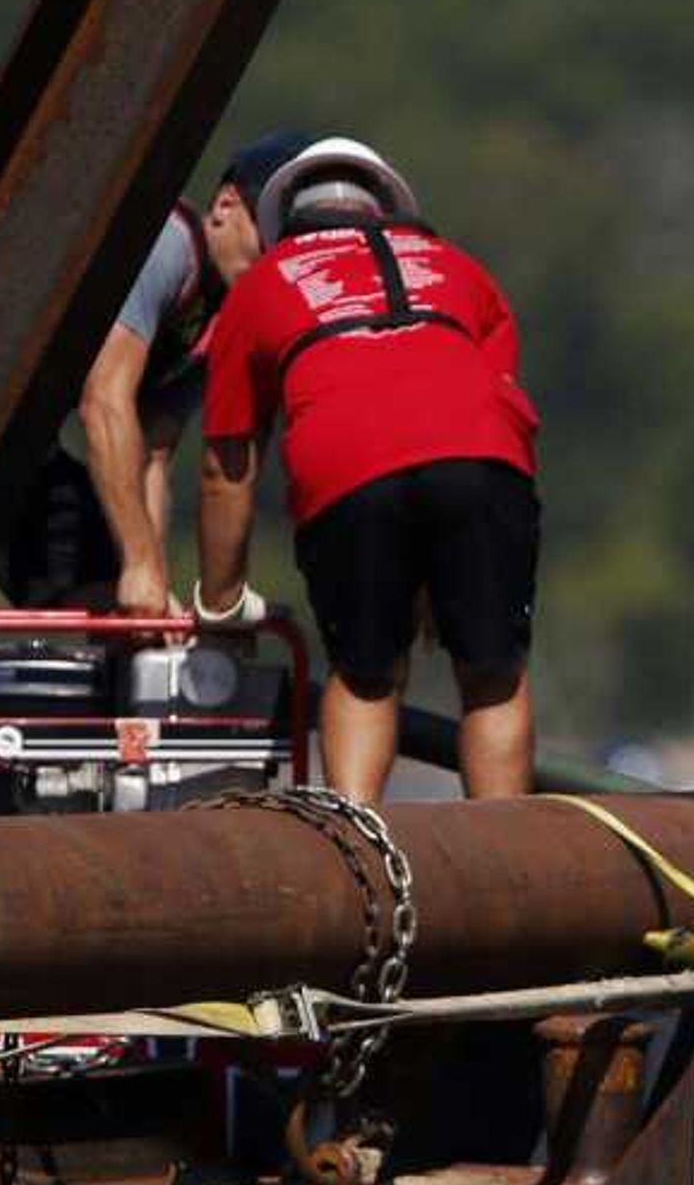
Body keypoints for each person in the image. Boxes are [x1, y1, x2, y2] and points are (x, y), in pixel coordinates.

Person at [193, 137, 541, 802]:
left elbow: (226, 465)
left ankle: (359, 867)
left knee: (364, 673)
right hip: (483, 456)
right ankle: (510, 876)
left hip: (346, 467)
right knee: (492, 673)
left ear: (282, 222)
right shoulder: (459, 266)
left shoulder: (262, 285)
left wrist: (220, 601)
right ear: (388, 208)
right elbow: (498, 397)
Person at [0, 125, 315, 612]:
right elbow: (103, 403)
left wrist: (150, 578)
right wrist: (140, 565)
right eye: (267, 236)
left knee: (118, 605)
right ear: (226, 206)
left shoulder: (223, 319)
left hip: (21, 448)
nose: (273, 259)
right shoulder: (167, 243)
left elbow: (151, 454)